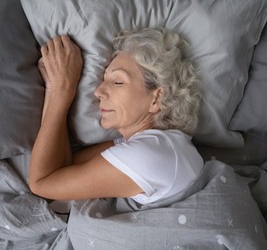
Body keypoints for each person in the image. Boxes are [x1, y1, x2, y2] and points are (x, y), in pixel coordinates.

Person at [29, 28, 204, 204]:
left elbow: (42, 184)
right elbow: (64, 169)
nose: (98, 92)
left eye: (118, 82)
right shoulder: (157, 144)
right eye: (104, 80)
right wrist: (54, 89)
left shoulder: (147, 155)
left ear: (156, 98)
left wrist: (61, 90)